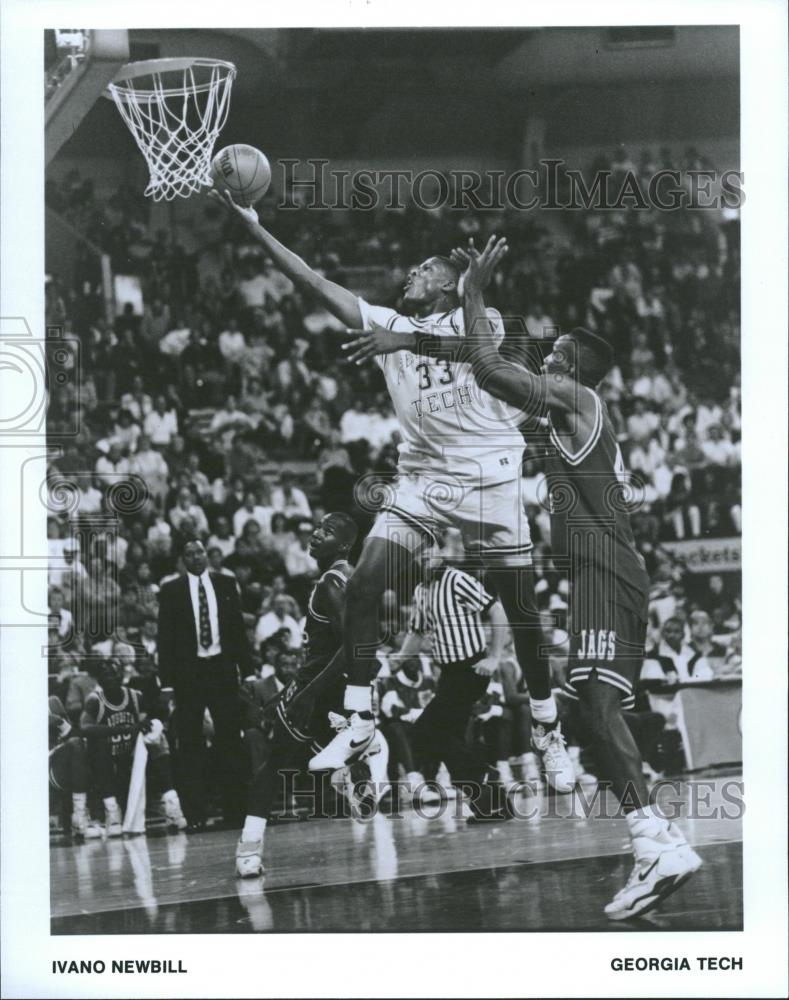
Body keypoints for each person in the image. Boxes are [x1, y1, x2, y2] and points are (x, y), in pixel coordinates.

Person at [210, 190, 572, 792]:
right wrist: (253, 226)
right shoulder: (391, 323)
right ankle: (358, 715)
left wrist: (437, 318)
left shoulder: (476, 317)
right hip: (424, 477)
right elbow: (311, 281)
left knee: (522, 611)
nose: (412, 273)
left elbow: (479, 357)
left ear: (453, 285)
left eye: (426, 269)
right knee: (363, 587)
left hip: (489, 473)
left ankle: (546, 723)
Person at [423, 234, 702, 920]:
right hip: (599, 576)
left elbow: (494, 372)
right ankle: (656, 838)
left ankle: (651, 840)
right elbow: (488, 383)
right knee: (588, 704)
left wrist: (472, 294)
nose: (542, 365)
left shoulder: (577, 397)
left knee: (594, 707)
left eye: (551, 359)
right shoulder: (558, 421)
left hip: (607, 572)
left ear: (573, 367)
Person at [235, 513, 388, 878]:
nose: (317, 534)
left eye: (328, 531)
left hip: (320, 689)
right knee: (310, 756)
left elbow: (353, 646)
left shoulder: (332, 583)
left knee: (271, 768)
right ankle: (352, 774)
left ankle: (248, 848)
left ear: (346, 545)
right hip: (341, 692)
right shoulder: (352, 579)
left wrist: (306, 691)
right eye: (318, 528)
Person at [157, 540, 251, 830]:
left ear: (207, 556)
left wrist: (247, 672)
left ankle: (236, 811)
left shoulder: (225, 583)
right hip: (189, 673)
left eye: (199, 552)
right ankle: (195, 813)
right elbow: (165, 638)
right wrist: (167, 683)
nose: (195, 558)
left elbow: (237, 627)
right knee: (190, 744)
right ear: (182, 560)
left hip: (222, 668)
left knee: (229, 740)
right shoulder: (171, 589)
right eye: (189, 554)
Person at [79, 658, 186, 835]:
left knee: (157, 736)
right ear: (100, 680)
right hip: (106, 762)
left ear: (122, 676)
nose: (111, 679)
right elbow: (84, 727)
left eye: (114, 674)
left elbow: (143, 722)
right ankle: (112, 811)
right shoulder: (94, 700)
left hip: (131, 759)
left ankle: (172, 803)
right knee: (97, 743)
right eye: (106, 676)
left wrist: (147, 724)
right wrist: (123, 729)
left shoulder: (135, 696)